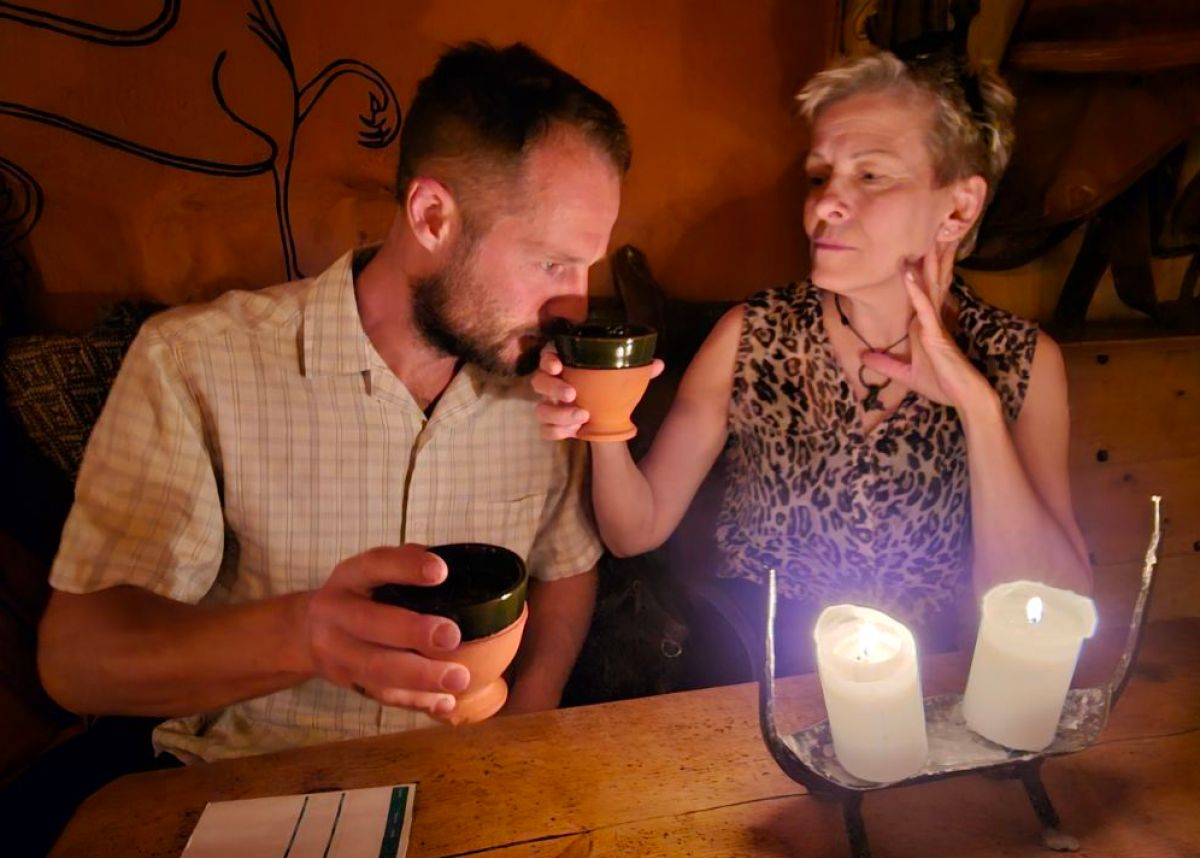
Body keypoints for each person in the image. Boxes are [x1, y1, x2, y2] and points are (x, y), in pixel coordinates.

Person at [37, 41, 629, 766]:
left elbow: (566, 568)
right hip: (252, 786)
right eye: (551, 262)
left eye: (587, 265)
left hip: (472, 788)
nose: (576, 302)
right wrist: (306, 636)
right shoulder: (195, 362)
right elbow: (76, 658)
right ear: (434, 217)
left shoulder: (543, 381)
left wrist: (522, 734)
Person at [534, 51, 1091, 677]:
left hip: (935, 692)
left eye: (872, 176)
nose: (826, 205)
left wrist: (978, 410)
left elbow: (1051, 603)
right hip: (751, 678)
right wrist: (603, 422)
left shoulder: (1017, 361)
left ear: (958, 210)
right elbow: (634, 532)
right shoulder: (752, 335)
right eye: (819, 176)